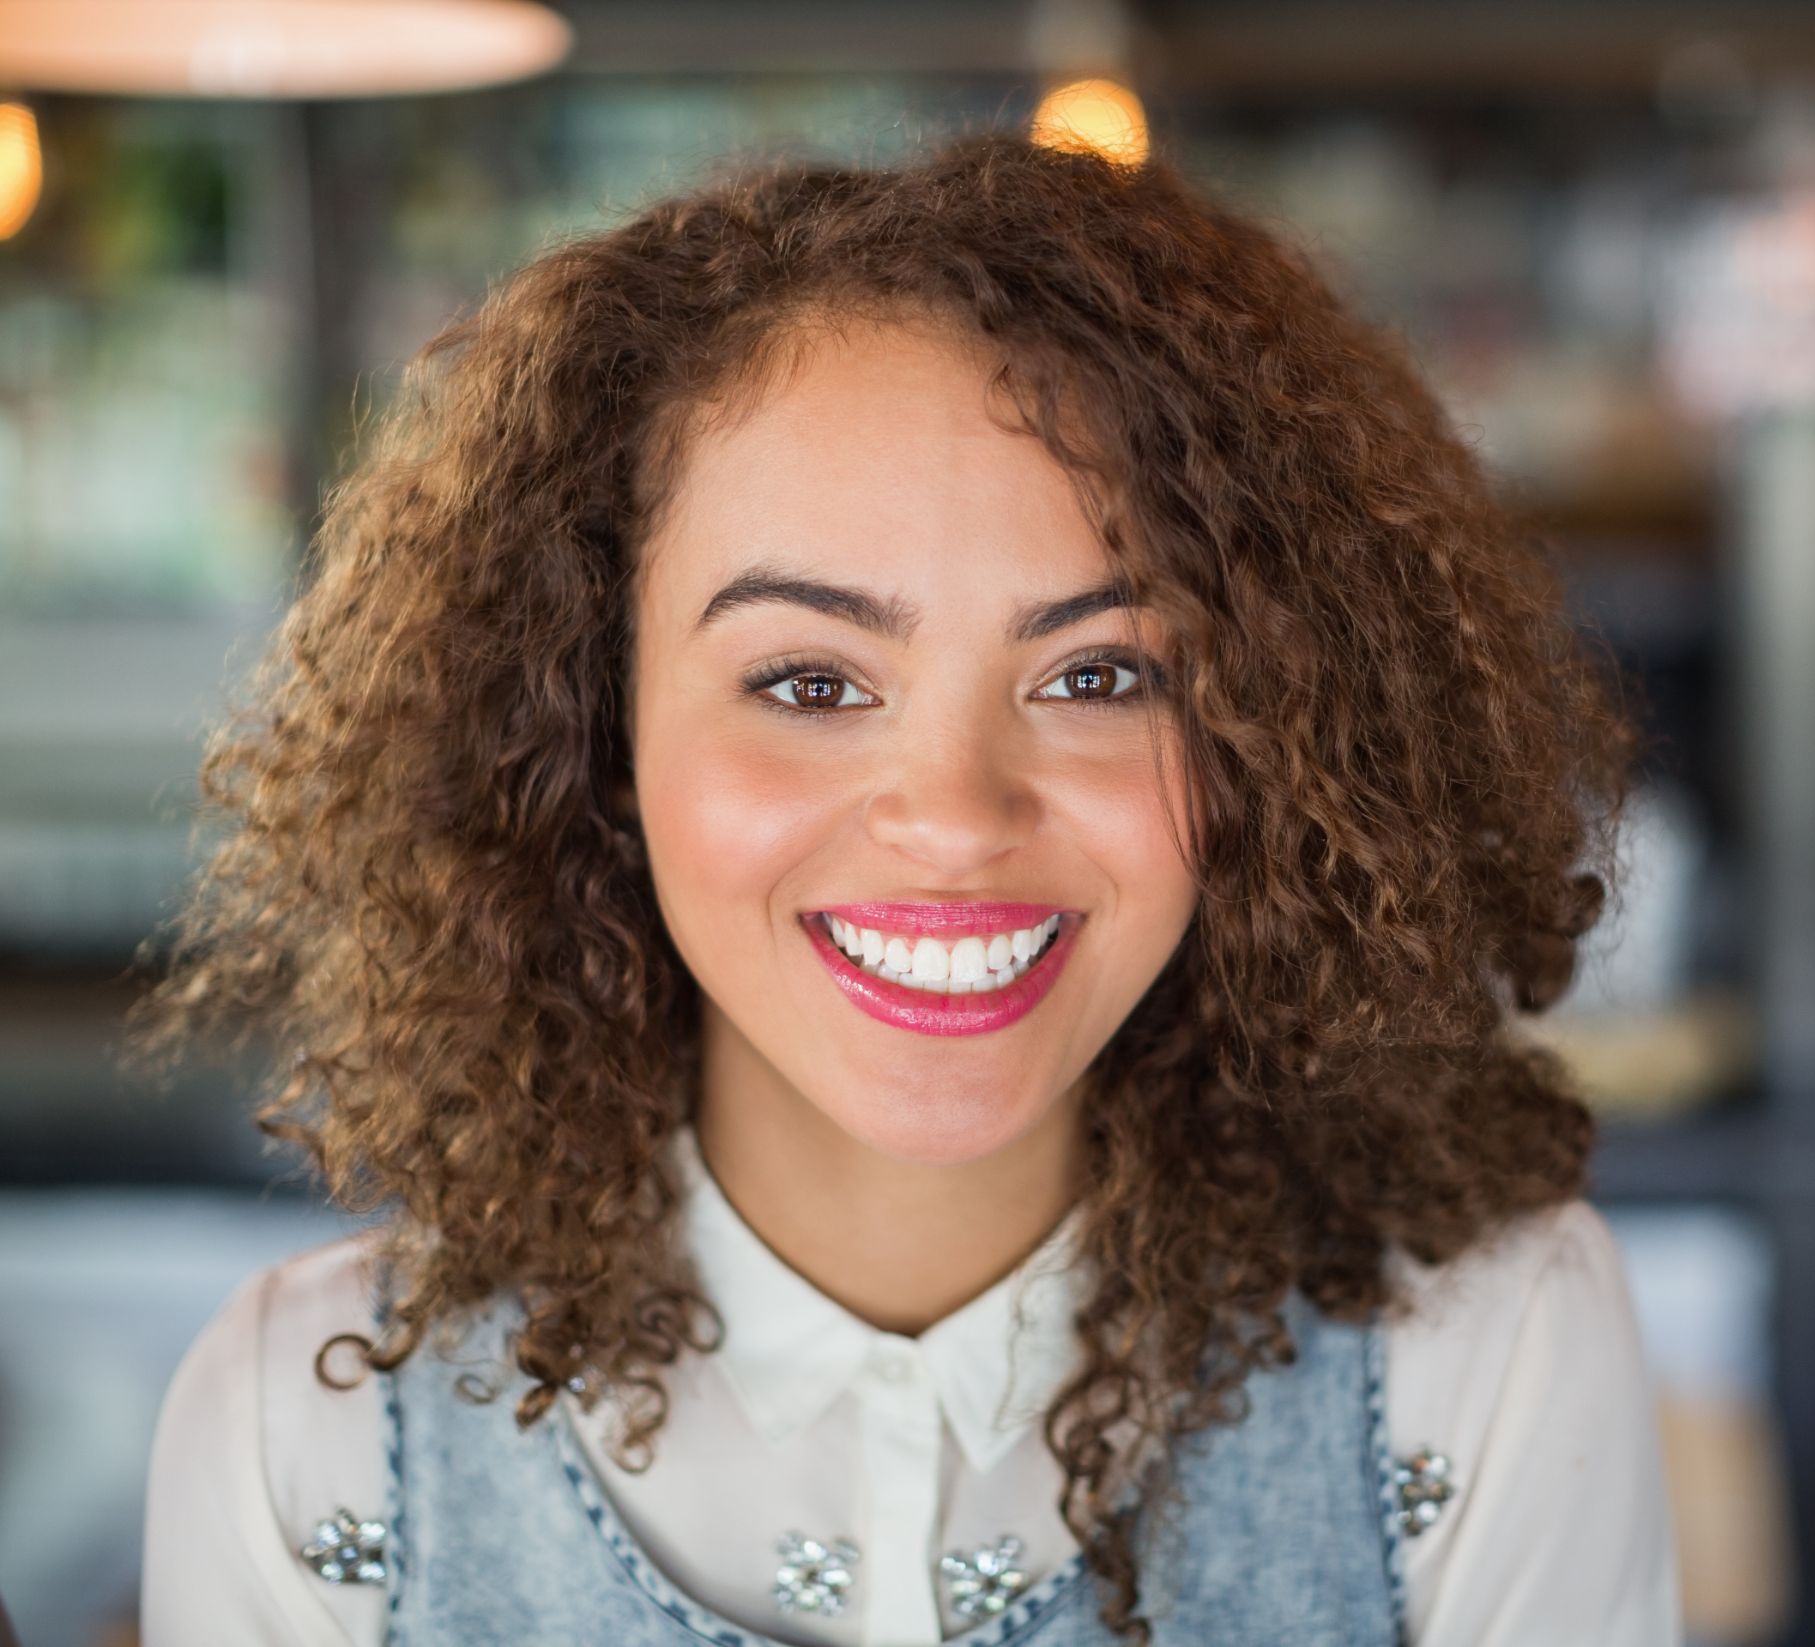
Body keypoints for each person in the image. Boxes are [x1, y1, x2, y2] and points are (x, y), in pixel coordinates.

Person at [125, 130, 1679, 1646]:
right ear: (595, 731)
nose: (953, 819)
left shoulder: (1484, 1357)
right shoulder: (304, 1432)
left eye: (1100, 673)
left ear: (1278, 740)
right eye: (808, 682)